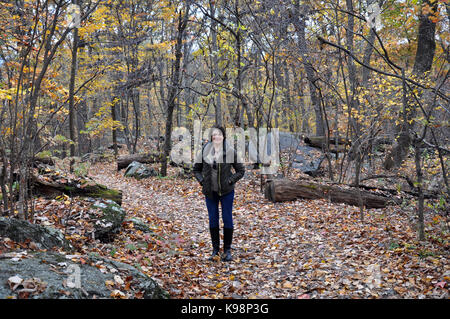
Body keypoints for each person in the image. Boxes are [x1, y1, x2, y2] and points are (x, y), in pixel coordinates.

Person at [193, 126, 245, 261]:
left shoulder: (230, 151)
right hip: (210, 192)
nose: (217, 137)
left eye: (220, 134)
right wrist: (202, 182)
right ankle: (215, 250)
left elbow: (241, 170)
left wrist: (230, 180)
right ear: (211, 137)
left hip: (227, 192)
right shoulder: (205, 151)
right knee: (213, 219)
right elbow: (196, 169)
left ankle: (227, 251)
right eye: (214, 135)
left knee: (227, 218)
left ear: (224, 137)